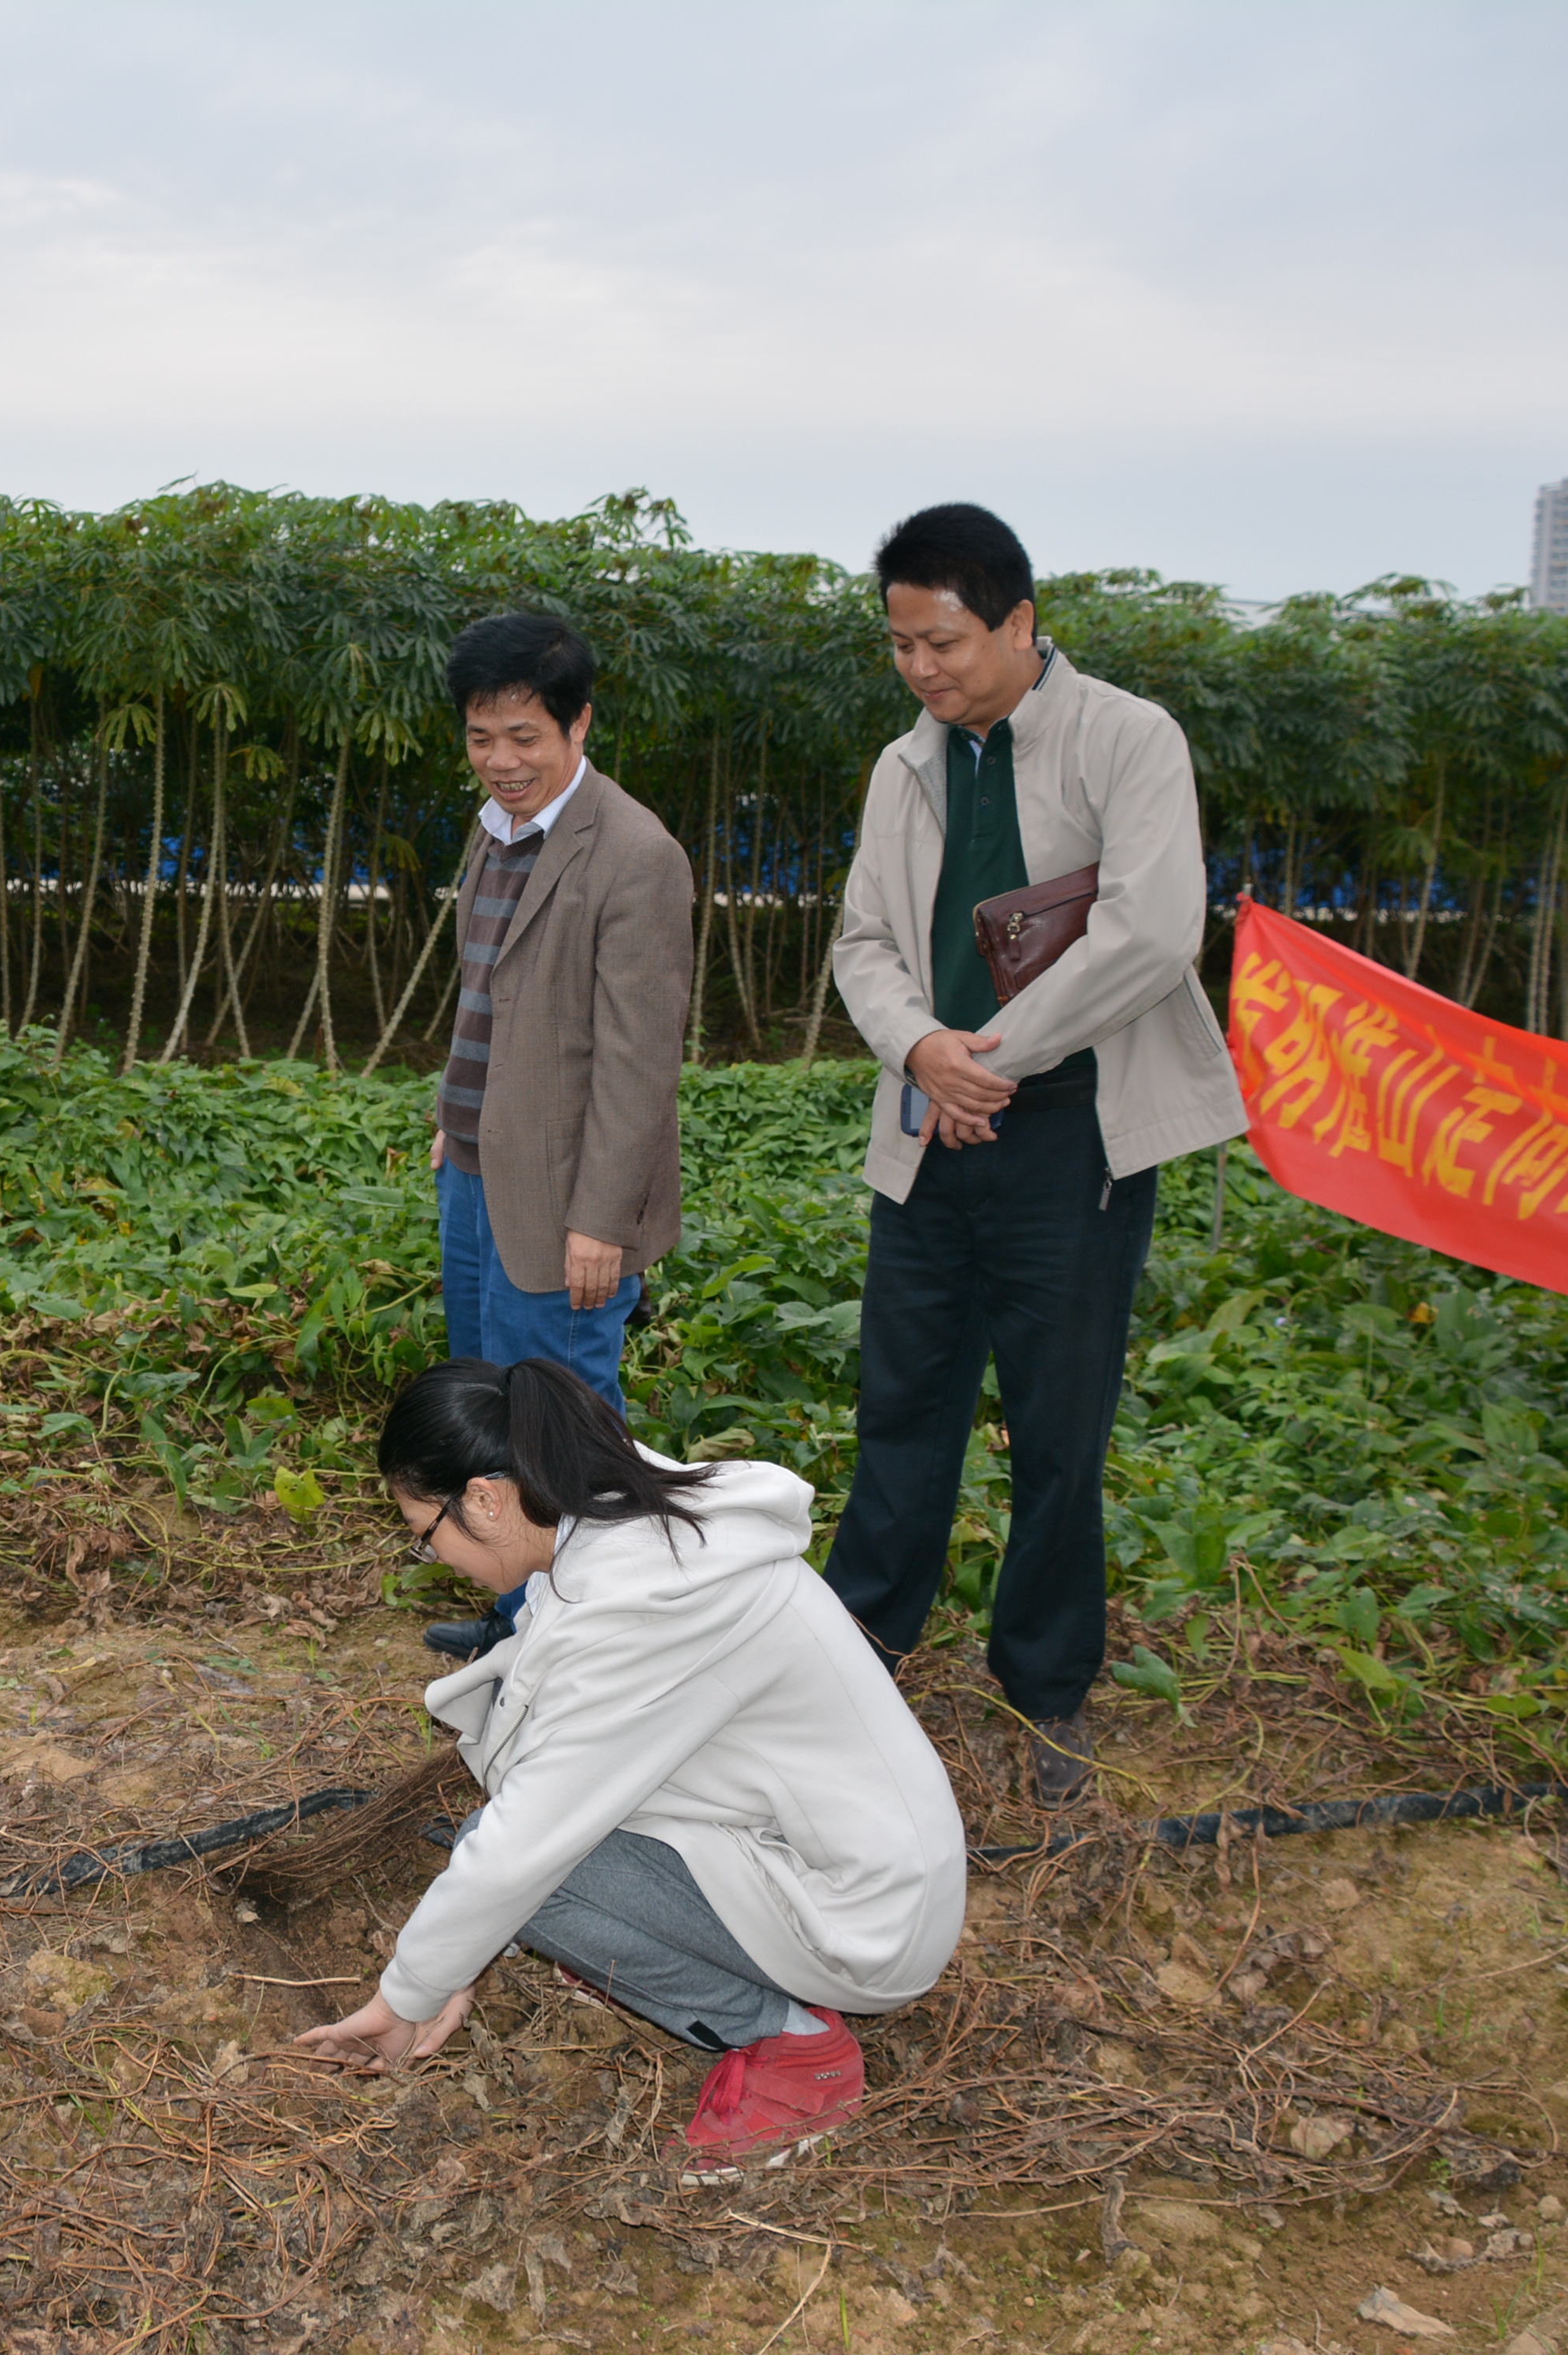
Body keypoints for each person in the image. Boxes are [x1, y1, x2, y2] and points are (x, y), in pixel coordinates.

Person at [823, 504, 1246, 1806]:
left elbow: (1151, 931)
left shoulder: (1127, 738)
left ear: (1017, 622)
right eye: (900, 646)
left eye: (943, 642)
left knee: (1058, 1426)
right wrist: (923, 1049)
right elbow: (862, 944)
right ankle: (857, 1655)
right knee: (902, 1403)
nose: (921, 669)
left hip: (1073, 1133)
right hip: (931, 1127)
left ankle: (1047, 1687)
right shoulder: (905, 767)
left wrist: (988, 1058)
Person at [294, 1359, 966, 2158]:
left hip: (864, 1917)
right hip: (828, 1850)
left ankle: (793, 2046)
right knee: (522, 1860)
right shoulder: (621, 1520)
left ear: (483, 1499)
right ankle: (672, 1949)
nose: (433, 1557)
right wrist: (463, 1952)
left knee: (537, 1879)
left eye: (423, 1535)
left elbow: (521, 1849)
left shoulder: (648, 1602)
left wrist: (407, 1996)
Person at [421, 614, 695, 1663]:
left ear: (579, 725)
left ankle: (599, 1644)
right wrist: (454, 1116)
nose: (501, 760)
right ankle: (519, 1619)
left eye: (524, 736)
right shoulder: (495, 832)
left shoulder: (634, 855)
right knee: (492, 1409)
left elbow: (638, 1061)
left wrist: (602, 1220)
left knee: (564, 1422)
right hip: (477, 1172)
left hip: (569, 1198)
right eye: (481, 736)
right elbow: (486, 994)